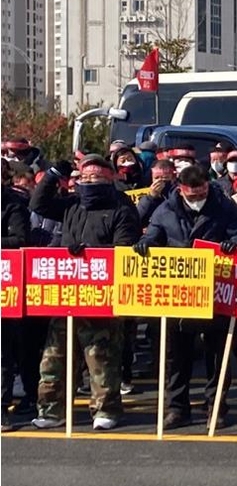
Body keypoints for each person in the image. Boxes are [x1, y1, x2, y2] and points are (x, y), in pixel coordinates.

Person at [133, 165, 237, 430]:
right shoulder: (165, 210)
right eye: (193, 195)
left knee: (216, 355)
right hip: (178, 293)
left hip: (215, 292)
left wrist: (236, 244)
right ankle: (177, 408)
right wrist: (146, 245)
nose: (198, 198)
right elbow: (154, 234)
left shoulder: (223, 207)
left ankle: (216, 407)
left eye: (202, 192)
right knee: (176, 356)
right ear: (181, 190)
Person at [29, 155, 142, 431]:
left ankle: (106, 409)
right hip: (67, 293)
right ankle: (52, 409)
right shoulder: (73, 204)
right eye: (85, 177)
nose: (90, 182)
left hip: (101, 298)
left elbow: (124, 249)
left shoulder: (121, 208)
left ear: (110, 178)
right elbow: (38, 204)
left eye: (97, 177)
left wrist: (92, 254)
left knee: (100, 358)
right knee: (54, 357)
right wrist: (55, 173)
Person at [1, 165, 32, 431]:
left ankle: (2, 409)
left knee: (3, 354)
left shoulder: (13, 205)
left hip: (5, 285)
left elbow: (21, 239)